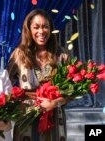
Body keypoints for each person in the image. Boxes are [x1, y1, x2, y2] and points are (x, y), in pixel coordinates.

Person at [7, 9, 69, 141]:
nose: (41, 31)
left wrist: (55, 102)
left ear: (50, 29)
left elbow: (71, 89)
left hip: (54, 118)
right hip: (26, 117)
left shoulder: (61, 54)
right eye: (36, 27)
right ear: (28, 29)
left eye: (45, 27)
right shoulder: (19, 54)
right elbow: (5, 84)